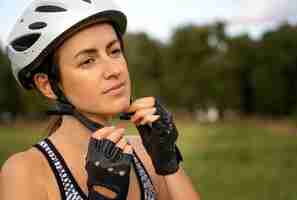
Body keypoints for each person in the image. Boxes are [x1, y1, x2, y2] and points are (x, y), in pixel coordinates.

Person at [0, 0, 200, 200]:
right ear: (47, 85)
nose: (115, 70)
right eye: (88, 61)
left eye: (114, 51)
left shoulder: (144, 151)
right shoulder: (24, 172)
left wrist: (168, 162)